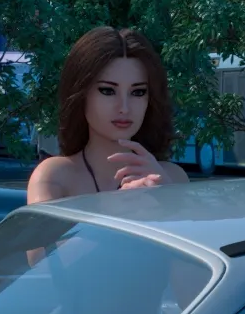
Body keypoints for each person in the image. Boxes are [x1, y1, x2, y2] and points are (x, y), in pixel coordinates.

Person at [25, 26, 189, 204]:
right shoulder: (54, 177)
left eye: (138, 92)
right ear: (81, 94)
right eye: (108, 91)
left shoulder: (173, 177)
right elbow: (39, 223)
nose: (124, 108)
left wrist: (166, 200)